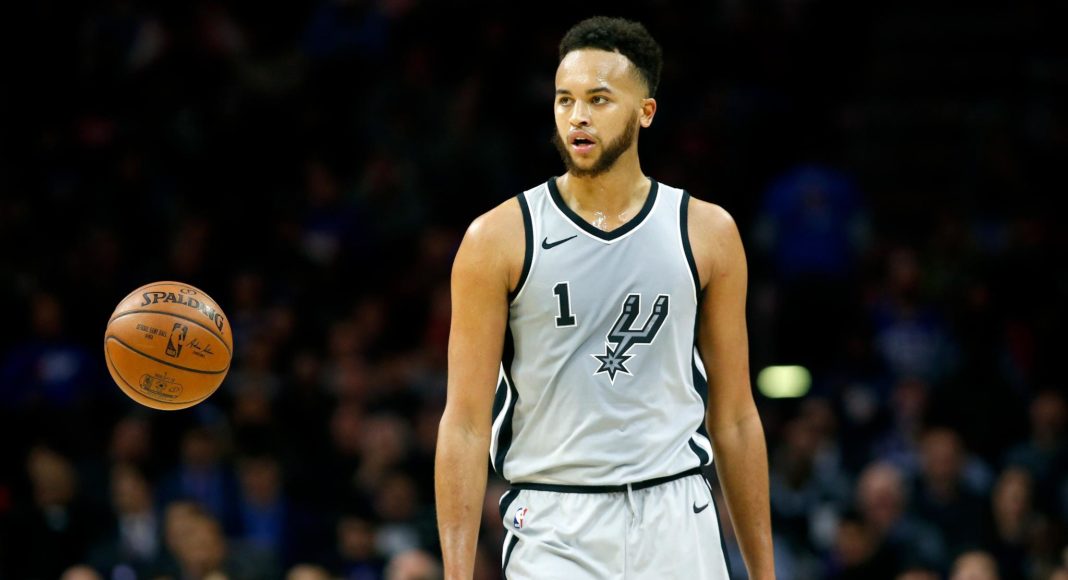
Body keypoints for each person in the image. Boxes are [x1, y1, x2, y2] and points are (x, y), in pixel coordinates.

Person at [436, 15, 774, 579]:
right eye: (564, 100)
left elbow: (736, 417)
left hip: (677, 513)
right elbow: (465, 424)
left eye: (598, 99)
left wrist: (764, 572)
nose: (578, 116)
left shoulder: (708, 232)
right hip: (554, 519)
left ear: (646, 111)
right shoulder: (496, 238)